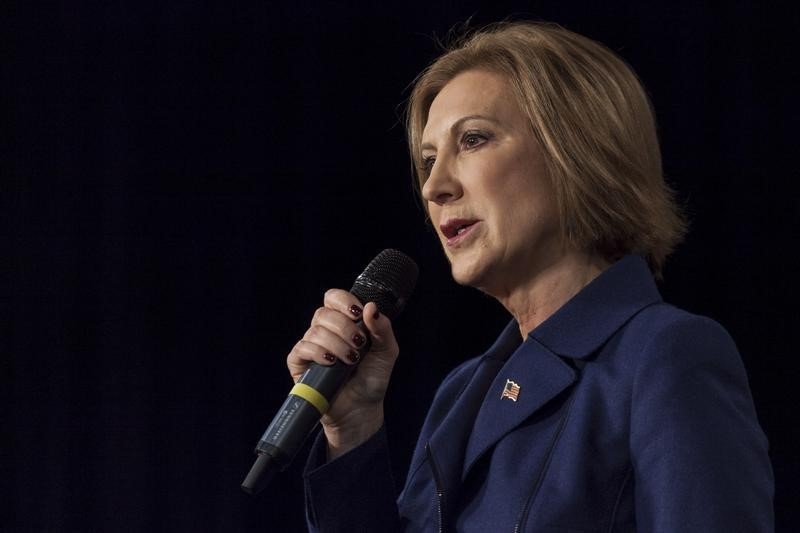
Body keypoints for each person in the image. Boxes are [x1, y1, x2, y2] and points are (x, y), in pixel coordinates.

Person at [287, 21, 774, 532]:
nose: (434, 186)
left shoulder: (666, 355)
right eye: (428, 160)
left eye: (472, 140)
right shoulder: (462, 392)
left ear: (577, 153)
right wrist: (354, 424)